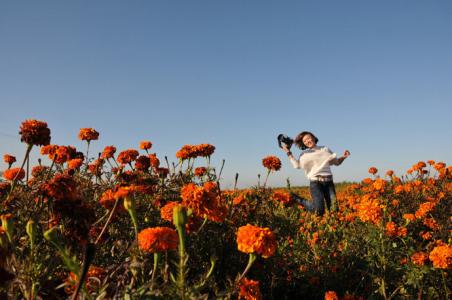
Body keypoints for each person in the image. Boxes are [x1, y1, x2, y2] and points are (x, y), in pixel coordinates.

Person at [281, 131, 350, 215]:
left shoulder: (325, 149)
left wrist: (344, 157)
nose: (307, 141)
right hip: (315, 183)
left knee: (334, 210)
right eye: (304, 141)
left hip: (329, 182)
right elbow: (297, 165)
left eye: (308, 138)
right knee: (319, 211)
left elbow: (337, 162)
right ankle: (299, 200)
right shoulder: (304, 154)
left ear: (313, 137)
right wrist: (288, 152)